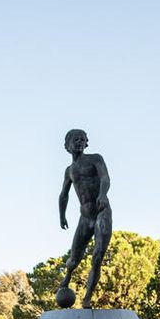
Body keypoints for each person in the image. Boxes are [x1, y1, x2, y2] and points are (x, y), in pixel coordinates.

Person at [56, 128, 112, 308]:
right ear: (67, 146)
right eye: (75, 140)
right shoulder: (69, 171)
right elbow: (63, 195)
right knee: (73, 259)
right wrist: (62, 215)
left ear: (86, 142)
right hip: (85, 217)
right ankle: (67, 278)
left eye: (82, 139)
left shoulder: (95, 159)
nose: (79, 142)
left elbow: (105, 178)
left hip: (101, 212)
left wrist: (102, 195)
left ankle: (87, 297)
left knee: (97, 256)